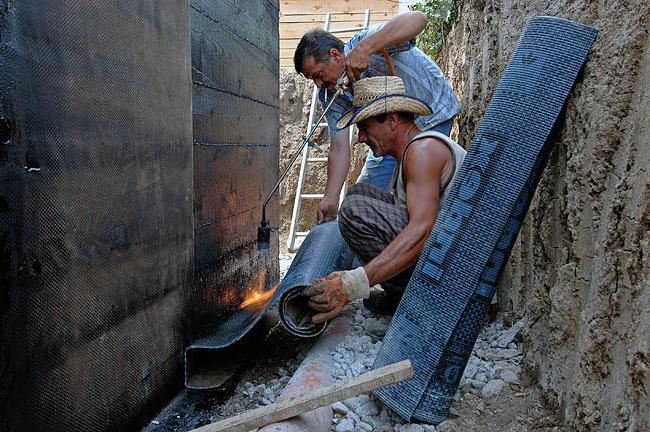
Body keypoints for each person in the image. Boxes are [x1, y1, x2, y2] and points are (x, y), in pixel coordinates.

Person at [302, 76, 466, 322]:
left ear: (391, 120)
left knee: (355, 209)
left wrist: (351, 285)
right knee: (359, 194)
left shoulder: (422, 152)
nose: (361, 138)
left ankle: (421, 303)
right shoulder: (412, 153)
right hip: (448, 262)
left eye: (365, 127)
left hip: (456, 277)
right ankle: (402, 297)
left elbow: (423, 229)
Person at [293, 11, 460, 223]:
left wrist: (366, 48)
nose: (317, 84)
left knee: (416, 191)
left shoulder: (367, 42)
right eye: (311, 79)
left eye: (318, 74)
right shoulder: (330, 93)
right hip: (387, 133)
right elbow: (339, 146)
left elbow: (418, 19)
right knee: (364, 197)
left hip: (432, 114)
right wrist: (331, 197)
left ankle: (420, 242)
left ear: (336, 55)